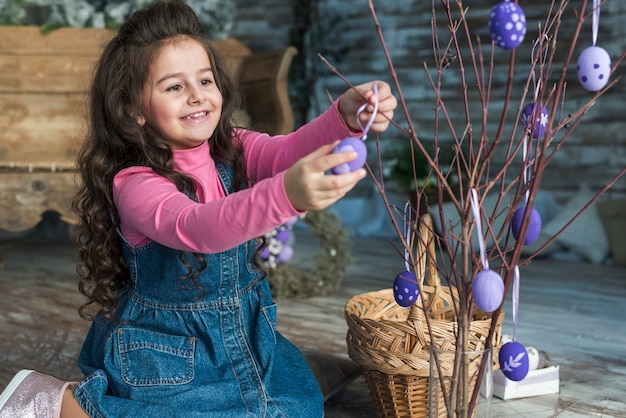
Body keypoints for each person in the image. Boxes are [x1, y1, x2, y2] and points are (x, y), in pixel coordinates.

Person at [0, 1, 397, 417]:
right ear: (134, 108)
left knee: (295, 407)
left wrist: (344, 119)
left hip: (240, 340)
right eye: (174, 87)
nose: (197, 96)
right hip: (169, 356)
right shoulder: (136, 183)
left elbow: (287, 151)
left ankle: (299, 372)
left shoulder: (233, 147)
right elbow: (198, 227)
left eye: (205, 80)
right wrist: (287, 196)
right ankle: (53, 401)